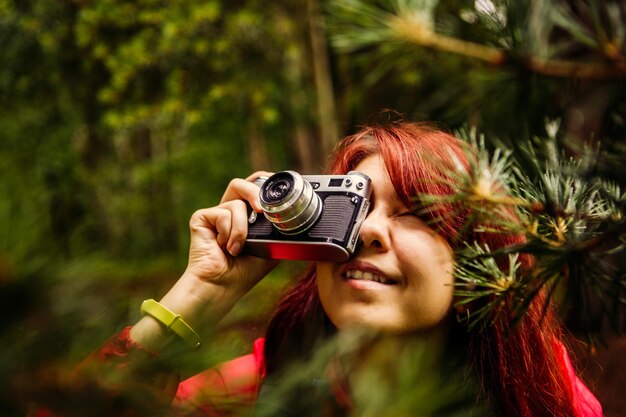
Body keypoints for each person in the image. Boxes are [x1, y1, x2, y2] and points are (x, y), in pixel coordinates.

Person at [36, 122, 603, 417]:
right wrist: (198, 294)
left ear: (482, 264)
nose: (370, 231)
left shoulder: (542, 398)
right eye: (353, 208)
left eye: (417, 216)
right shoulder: (254, 390)